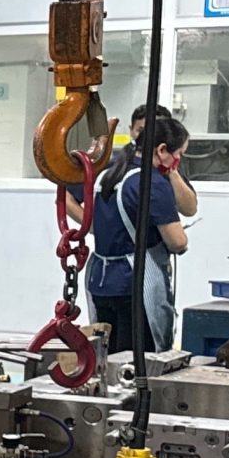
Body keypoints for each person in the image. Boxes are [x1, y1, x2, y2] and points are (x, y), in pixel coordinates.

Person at [88, 109, 192, 355]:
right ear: (162, 150)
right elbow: (177, 241)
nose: (178, 160)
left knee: (107, 358)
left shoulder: (108, 174)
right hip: (135, 286)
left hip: (100, 282)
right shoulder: (151, 182)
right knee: (139, 362)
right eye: (178, 153)